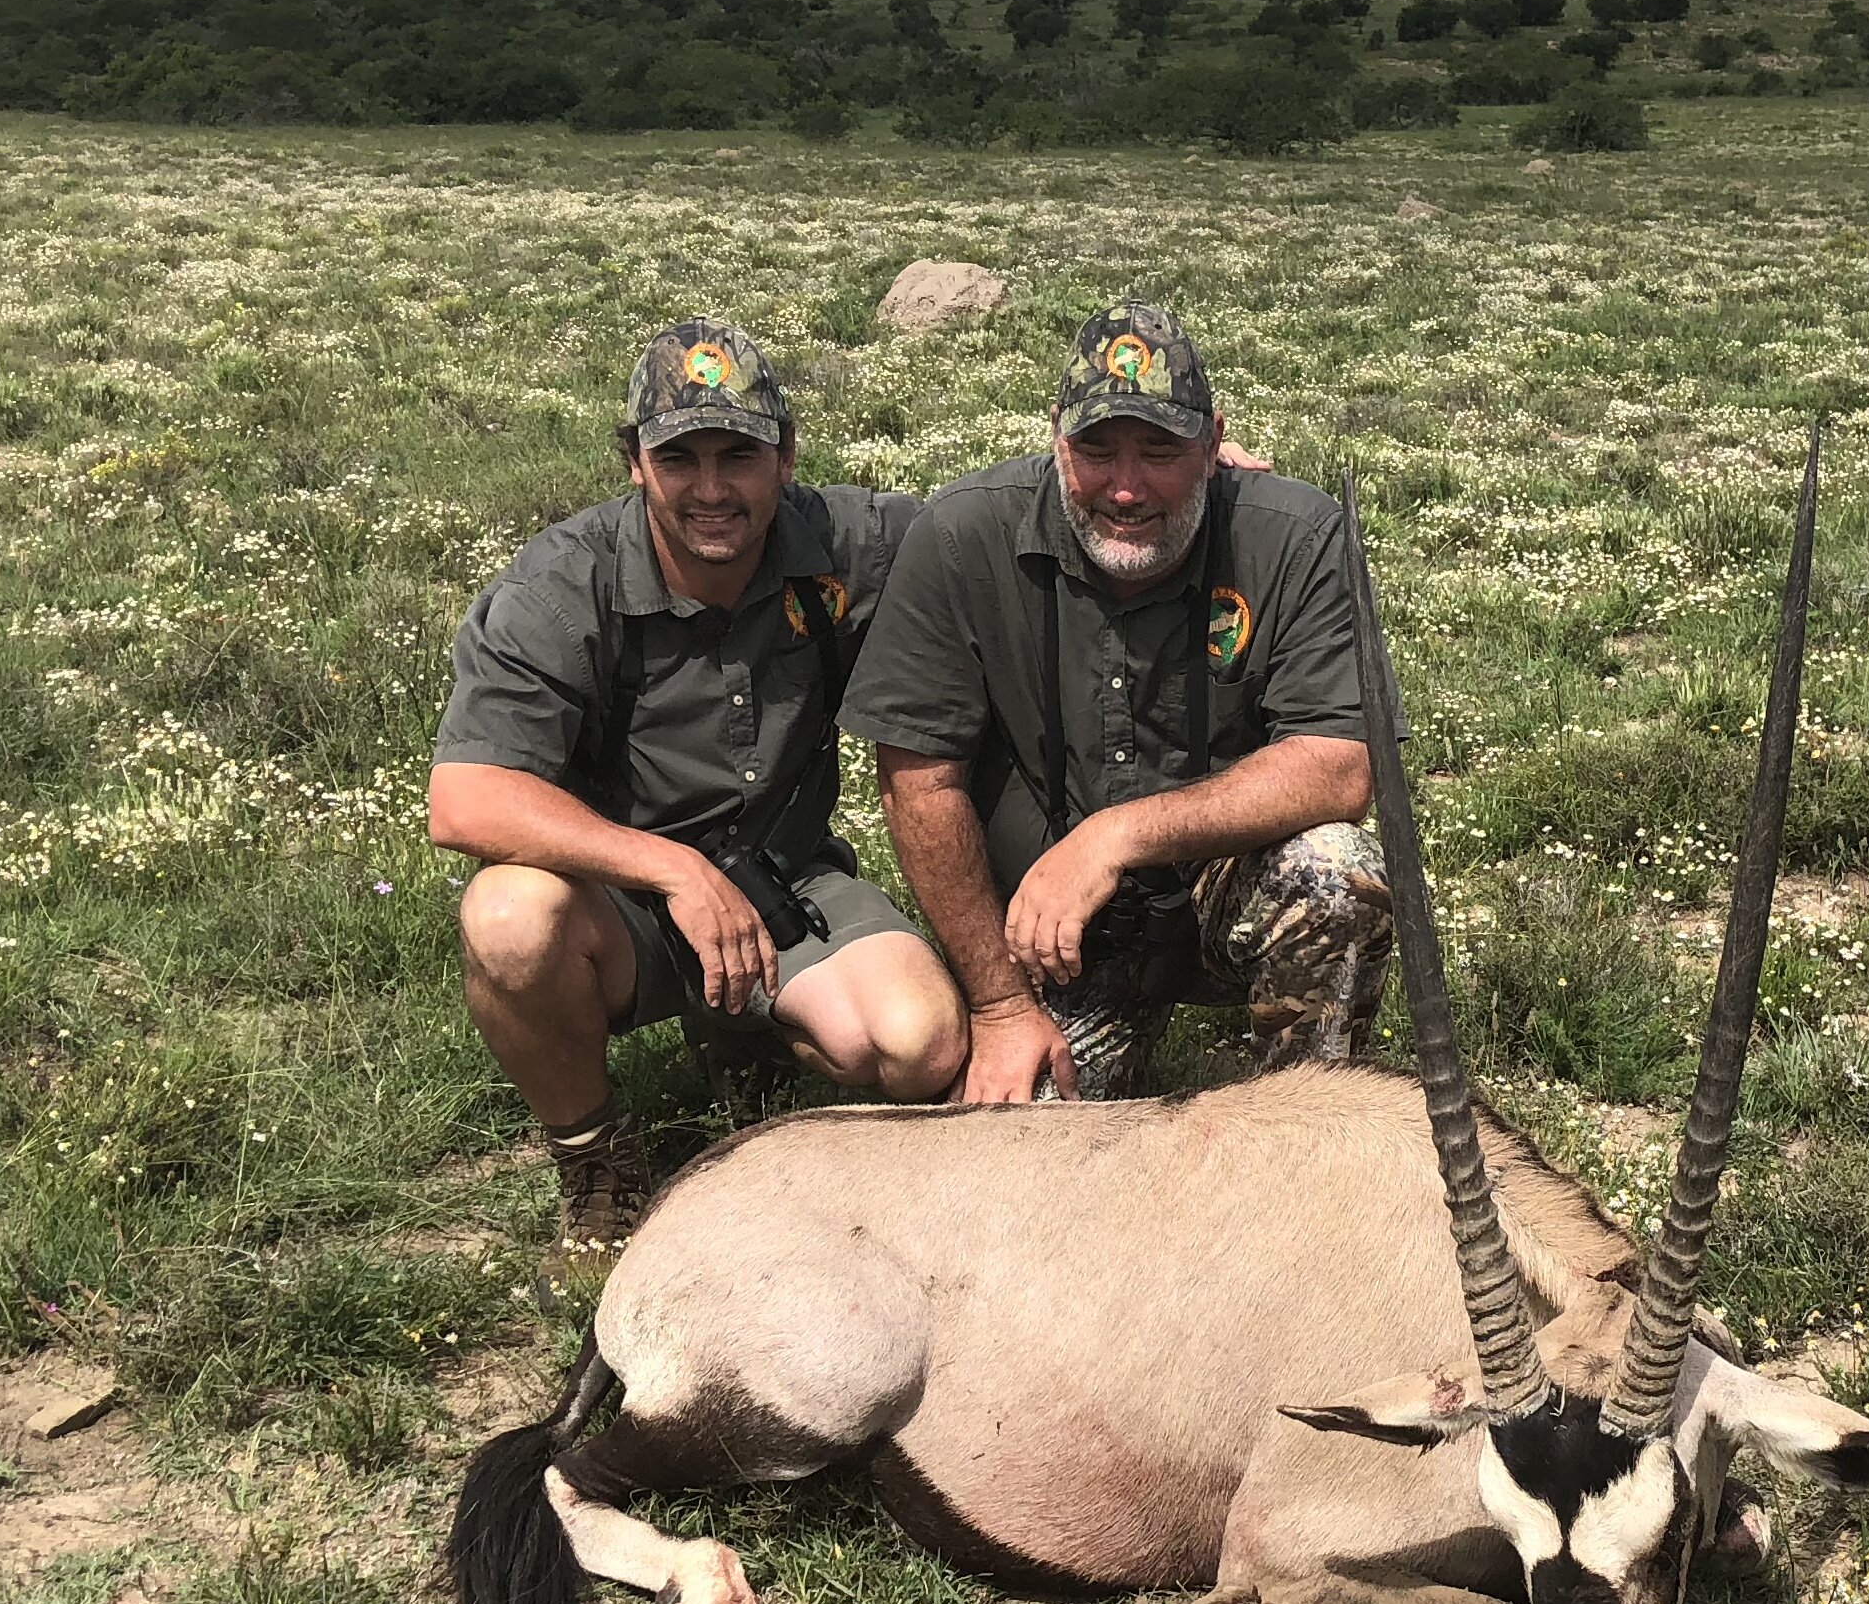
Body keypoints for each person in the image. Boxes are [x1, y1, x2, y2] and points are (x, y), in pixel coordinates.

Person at [430, 316, 966, 1260]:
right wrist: (673, 870)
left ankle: (746, 1030)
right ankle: (593, 1155)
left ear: (786, 457)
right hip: (621, 903)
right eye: (681, 459)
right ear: (635, 461)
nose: (712, 490)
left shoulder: (849, 541)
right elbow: (465, 798)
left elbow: (995, 528)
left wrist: (1186, 474)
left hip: (789, 877)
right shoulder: (563, 582)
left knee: (919, 1044)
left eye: (740, 456)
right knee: (509, 916)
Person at [843, 302, 1390, 1103]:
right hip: (1049, 935)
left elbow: (1340, 768)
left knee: (1338, 873)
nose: (1126, 488)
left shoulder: (1297, 536)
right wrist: (998, 1006)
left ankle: (1307, 1128)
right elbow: (919, 783)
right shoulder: (962, 536)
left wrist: (1115, 836)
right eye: (1097, 450)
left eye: (1161, 451)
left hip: (1212, 892)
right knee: (1020, 1157)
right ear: (1056, 439)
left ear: (1213, 443)